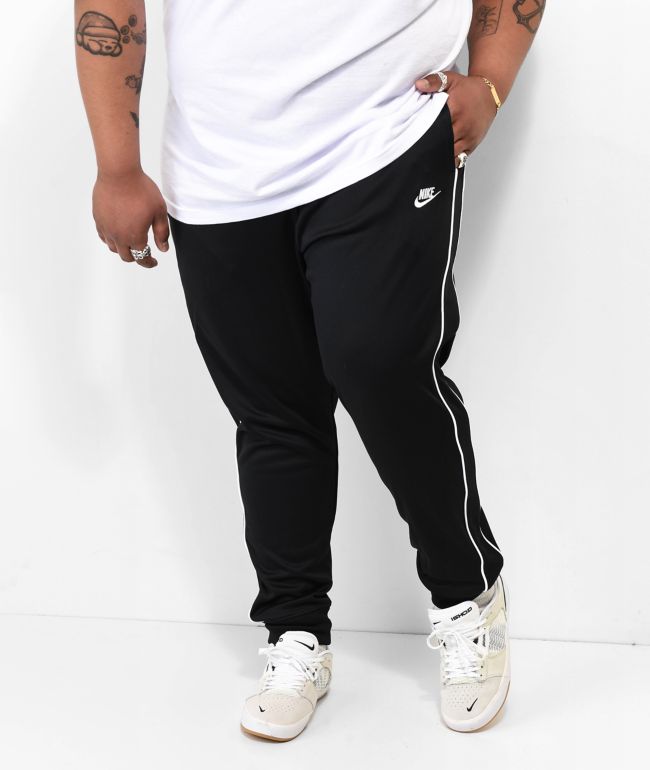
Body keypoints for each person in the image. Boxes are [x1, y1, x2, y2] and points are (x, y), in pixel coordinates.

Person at [75, 0, 545, 740]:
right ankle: (296, 634)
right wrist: (116, 166)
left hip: (383, 136)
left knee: (382, 368)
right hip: (221, 167)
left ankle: (468, 596)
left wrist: (490, 81)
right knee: (273, 411)